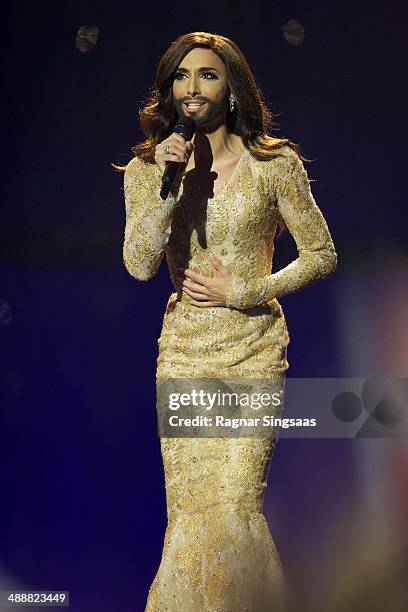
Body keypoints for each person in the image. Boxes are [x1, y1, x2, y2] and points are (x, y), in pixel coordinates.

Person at [120, 31, 337, 612]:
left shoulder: (275, 165)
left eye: (207, 74)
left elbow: (322, 254)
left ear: (231, 88)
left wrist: (247, 289)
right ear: (169, 90)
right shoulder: (147, 169)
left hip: (254, 351)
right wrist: (170, 184)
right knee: (191, 514)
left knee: (237, 505)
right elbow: (139, 265)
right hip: (186, 352)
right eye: (181, 76)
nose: (193, 87)